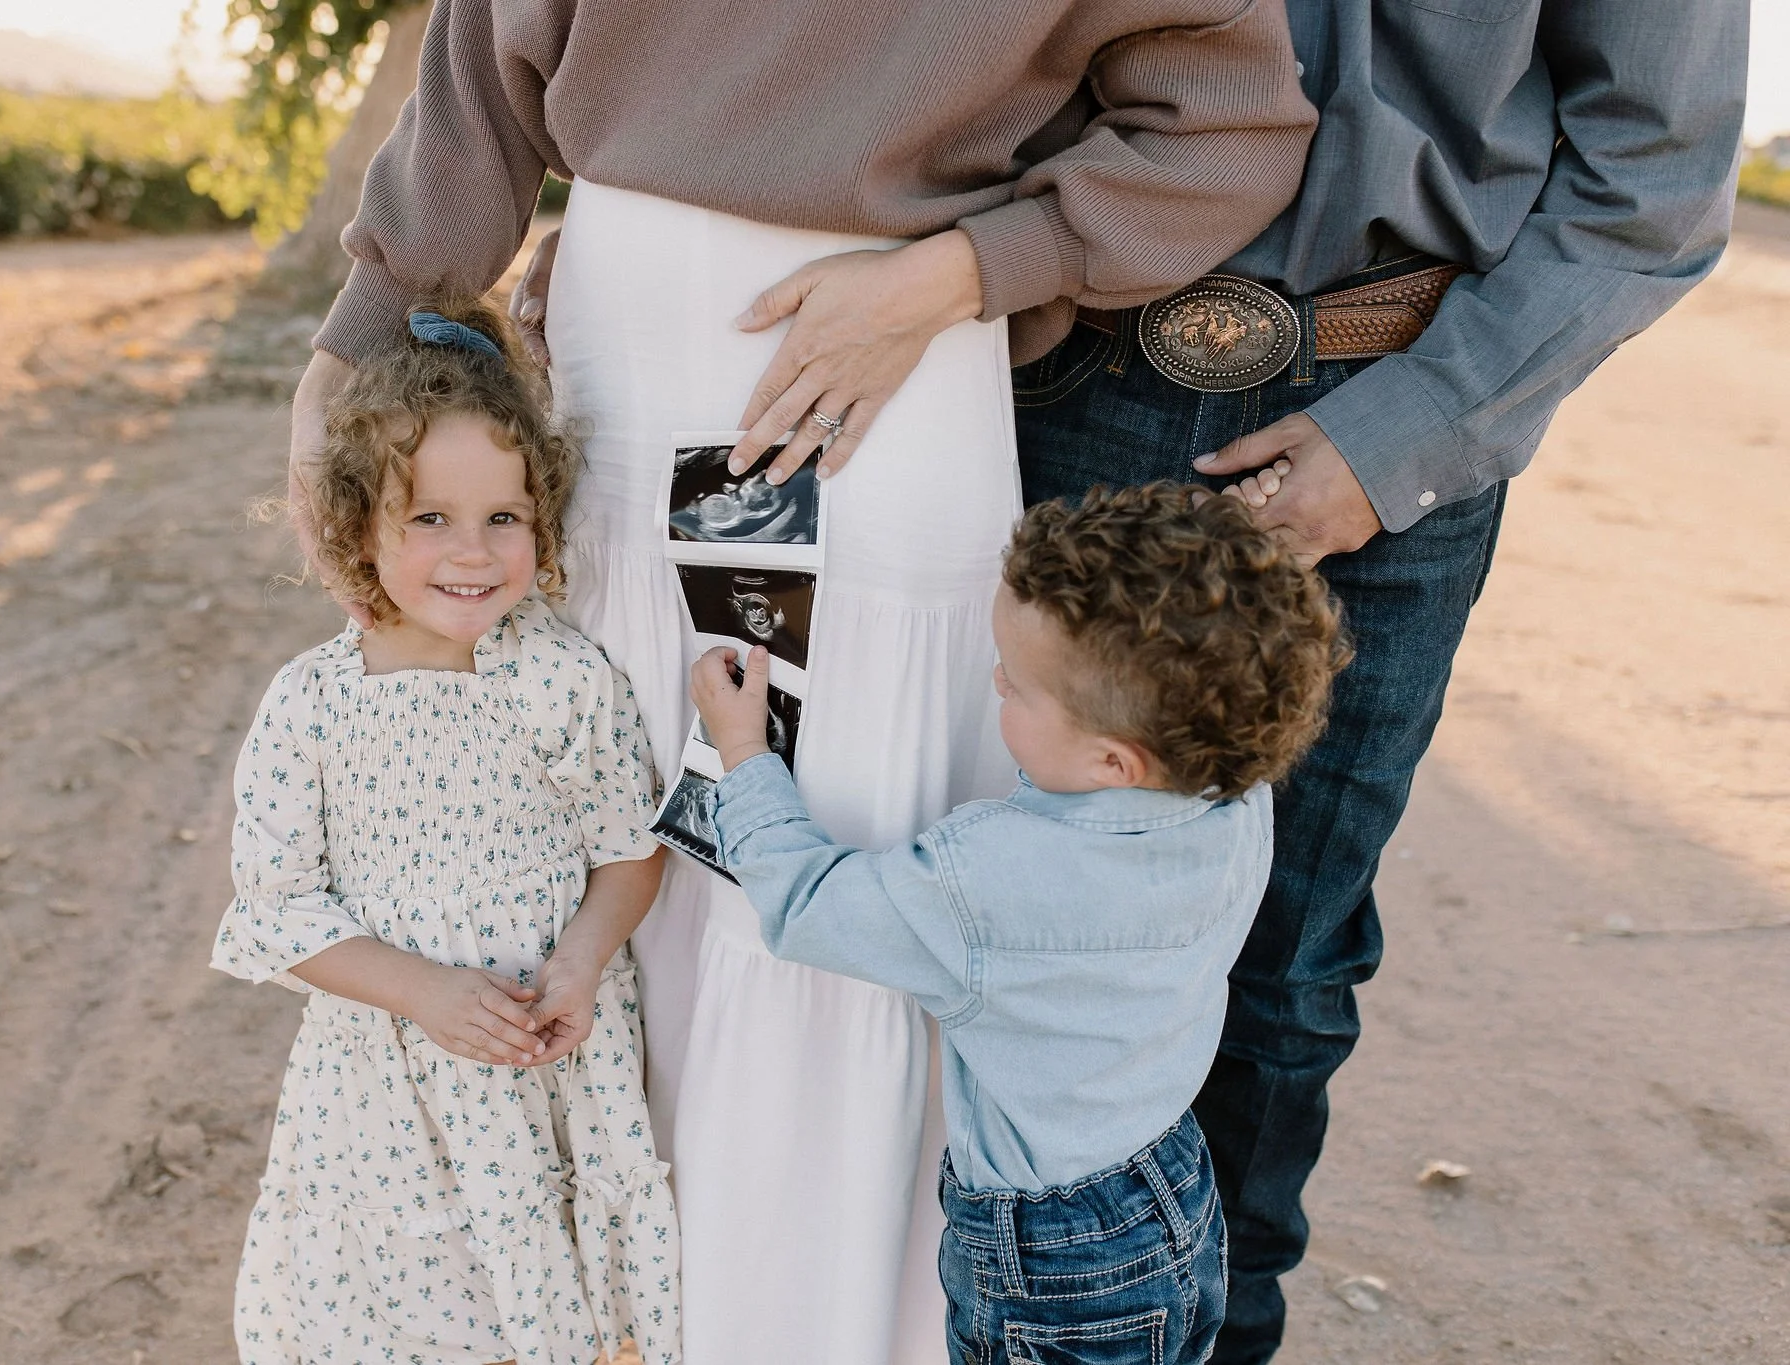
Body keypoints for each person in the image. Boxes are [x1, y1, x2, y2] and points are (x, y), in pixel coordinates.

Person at [291, 4, 1319, 1359]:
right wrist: (361, 333)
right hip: (627, 378)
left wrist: (962, 272)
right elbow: (484, 80)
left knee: (815, 901)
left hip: (877, 390)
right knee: (603, 864)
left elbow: (1229, 130)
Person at [1003, 3, 1751, 1360]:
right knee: (1001, 901)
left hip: (1397, 421)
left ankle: (1216, 1340)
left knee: (1282, 957)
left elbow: (1656, 175)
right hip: (1062, 381)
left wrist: (1403, 437)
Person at [686, 485, 1348, 1365]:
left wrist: (743, 756)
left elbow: (808, 905)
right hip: (1174, 1187)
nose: (995, 680)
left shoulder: (988, 877)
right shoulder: (1234, 794)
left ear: (1114, 759)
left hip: (1055, 1253)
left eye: (1019, 684)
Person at [214, 300, 678, 1365]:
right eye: (427, 520)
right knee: (410, 1311)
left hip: (549, 1052)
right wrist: (423, 991)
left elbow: (628, 850)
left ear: (542, 521)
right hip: (388, 1076)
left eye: (502, 520)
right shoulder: (312, 704)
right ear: (354, 526)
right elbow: (279, 912)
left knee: (551, 1304)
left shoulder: (562, 678)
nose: (470, 553)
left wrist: (577, 966)